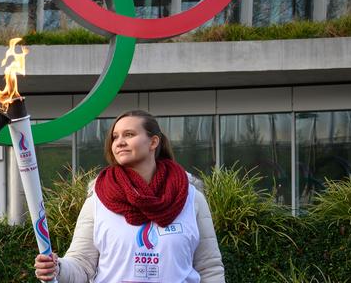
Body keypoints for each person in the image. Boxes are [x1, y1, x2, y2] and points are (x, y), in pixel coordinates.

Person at [34, 110, 224, 283]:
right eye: (115, 137)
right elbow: (82, 265)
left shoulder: (191, 198)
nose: (119, 142)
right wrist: (57, 268)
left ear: (153, 142)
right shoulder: (98, 199)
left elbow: (209, 268)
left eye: (129, 135)